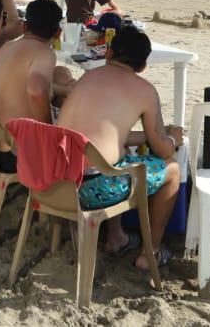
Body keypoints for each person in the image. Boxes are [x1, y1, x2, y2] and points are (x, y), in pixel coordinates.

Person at [56, 24, 182, 271]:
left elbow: (110, 136)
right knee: (172, 170)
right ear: (143, 67)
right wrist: (174, 138)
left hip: (55, 179)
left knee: (118, 157)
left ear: (109, 54)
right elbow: (163, 150)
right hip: (90, 190)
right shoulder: (145, 90)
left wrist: (143, 138)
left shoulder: (87, 78)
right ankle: (150, 253)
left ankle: (117, 237)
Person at [0, 0, 76, 158]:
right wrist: (48, 130)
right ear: (58, 33)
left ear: (24, 26)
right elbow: (36, 91)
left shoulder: (7, 46)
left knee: (61, 73)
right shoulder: (44, 53)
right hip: (19, 150)